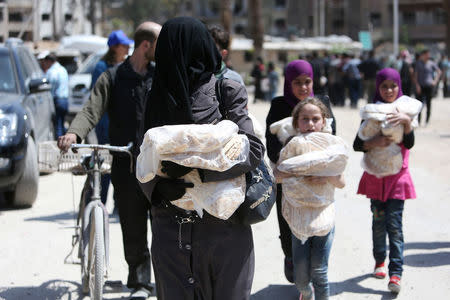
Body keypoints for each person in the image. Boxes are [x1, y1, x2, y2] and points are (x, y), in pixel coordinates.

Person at [140, 17, 264, 300]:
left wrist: (198, 171)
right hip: (171, 230)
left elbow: (252, 149)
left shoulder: (226, 90)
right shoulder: (154, 97)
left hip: (224, 230)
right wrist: (157, 188)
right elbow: (142, 154)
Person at [57, 21, 162, 300]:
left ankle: (165, 284)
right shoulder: (113, 77)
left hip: (158, 166)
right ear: (145, 46)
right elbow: (91, 109)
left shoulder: (161, 76)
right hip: (125, 164)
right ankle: (140, 283)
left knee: (164, 226)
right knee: (133, 225)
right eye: (159, 44)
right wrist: (73, 132)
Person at [265, 60, 336, 283]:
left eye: (307, 82)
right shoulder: (278, 105)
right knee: (288, 227)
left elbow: (333, 140)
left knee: (318, 227)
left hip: (318, 180)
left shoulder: (321, 103)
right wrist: (295, 160)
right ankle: (290, 258)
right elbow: (272, 146)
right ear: (288, 82)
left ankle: (313, 276)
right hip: (288, 181)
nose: (303, 87)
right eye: (297, 82)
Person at [274, 97, 345, 300]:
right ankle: (306, 293)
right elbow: (276, 176)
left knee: (320, 272)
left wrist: (324, 174)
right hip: (298, 217)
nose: (311, 124)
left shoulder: (331, 146)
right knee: (301, 277)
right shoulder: (291, 145)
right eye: (305, 119)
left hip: (323, 215)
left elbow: (341, 182)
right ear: (296, 122)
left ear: (324, 121)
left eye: (315, 119)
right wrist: (299, 169)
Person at [353, 68, 417, 294]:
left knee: (395, 227)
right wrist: (375, 142)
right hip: (375, 179)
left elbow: (408, 143)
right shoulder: (371, 113)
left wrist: (407, 122)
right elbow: (357, 144)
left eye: (393, 86)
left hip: (397, 181)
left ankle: (396, 273)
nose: (389, 90)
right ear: (377, 88)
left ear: (400, 87)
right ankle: (379, 260)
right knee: (378, 223)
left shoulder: (405, 111)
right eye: (384, 86)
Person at [92, 29, 133, 207]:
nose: (127, 48)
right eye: (124, 45)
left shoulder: (125, 66)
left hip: (121, 124)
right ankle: (99, 202)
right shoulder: (101, 68)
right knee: (105, 165)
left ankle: (119, 202)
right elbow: (97, 99)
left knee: (122, 163)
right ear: (115, 47)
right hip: (105, 125)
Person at [39, 52, 69, 137]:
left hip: (57, 100)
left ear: (49, 61)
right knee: (62, 123)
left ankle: (59, 145)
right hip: (65, 100)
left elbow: (49, 87)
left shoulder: (52, 71)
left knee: (58, 125)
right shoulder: (63, 69)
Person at [414, 49, 441, 125]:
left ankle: (427, 120)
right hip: (421, 86)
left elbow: (439, 71)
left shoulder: (431, 63)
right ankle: (418, 121)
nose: (427, 56)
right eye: (426, 54)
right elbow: (415, 76)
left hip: (429, 86)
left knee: (429, 104)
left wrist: (435, 81)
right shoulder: (418, 64)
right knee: (419, 104)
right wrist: (417, 85)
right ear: (422, 55)